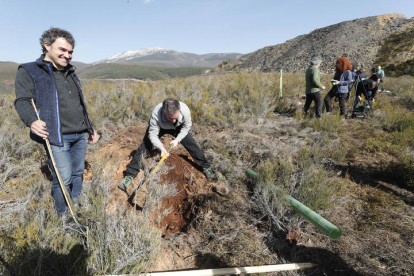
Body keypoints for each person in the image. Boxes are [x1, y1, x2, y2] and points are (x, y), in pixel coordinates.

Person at [14, 28, 99, 218]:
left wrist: (89, 127)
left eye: (70, 52)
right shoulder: (30, 70)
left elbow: (79, 103)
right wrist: (32, 121)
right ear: (47, 46)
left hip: (80, 134)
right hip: (56, 136)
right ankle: (63, 217)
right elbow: (23, 100)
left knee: (77, 173)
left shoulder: (70, 72)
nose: (67, 55)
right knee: (63, 177)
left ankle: (76, 206)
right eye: (62, 50)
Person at [118, 98, 215, 191]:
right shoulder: (156, 114)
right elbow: (152, 134)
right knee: (144, 148)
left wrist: (177, 140)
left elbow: (186, 127)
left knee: (192, 145)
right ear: (164, 112)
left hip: (178, 127)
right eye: (170, 118)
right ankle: (130, 175)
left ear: (179, 110)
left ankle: (206, 166)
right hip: (160, 127)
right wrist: (161, 147)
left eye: (175, 117)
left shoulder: (185, 110)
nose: (173, 120)